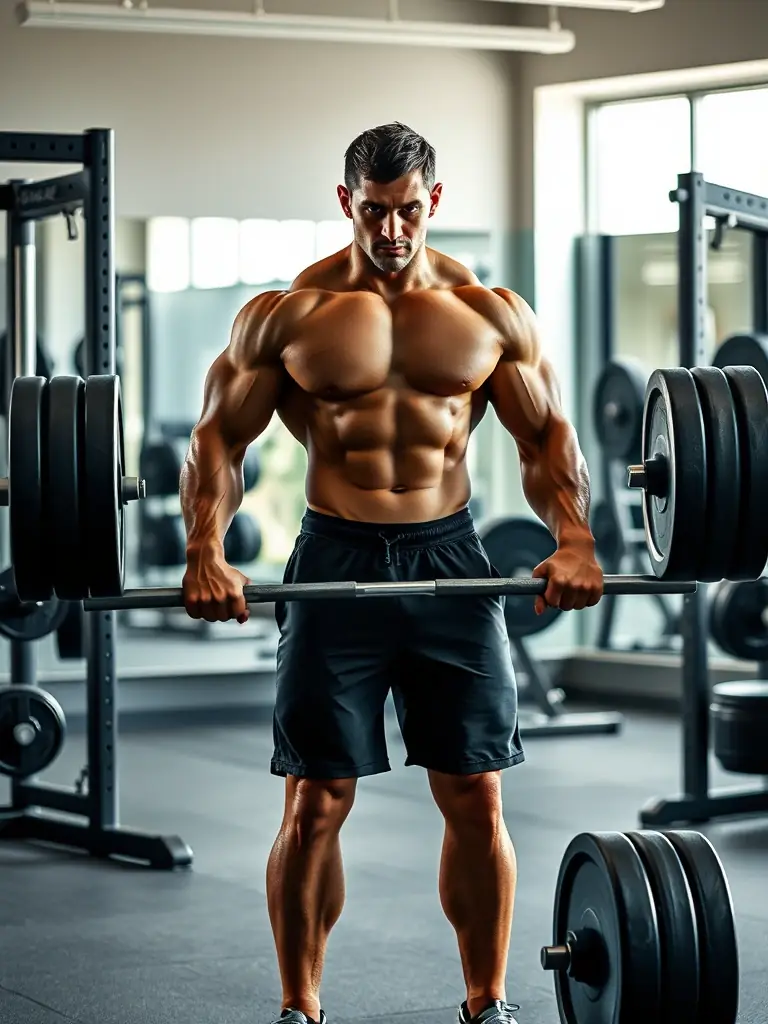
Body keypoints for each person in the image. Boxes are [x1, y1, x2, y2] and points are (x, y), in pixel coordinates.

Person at [180, 122, 604, 1024]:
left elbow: (545, 438)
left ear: (434, 201)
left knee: (475, 790)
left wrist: (575, 536)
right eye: (374, 212)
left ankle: (488, 1002)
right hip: (336, 556)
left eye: (409, 210)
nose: (393, 231)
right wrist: (205, 550)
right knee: (317, 798)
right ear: (347, 203)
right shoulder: (288, 313)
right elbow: (220, 438)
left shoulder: (490, 312)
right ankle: (300, 1006)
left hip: (451, 556)